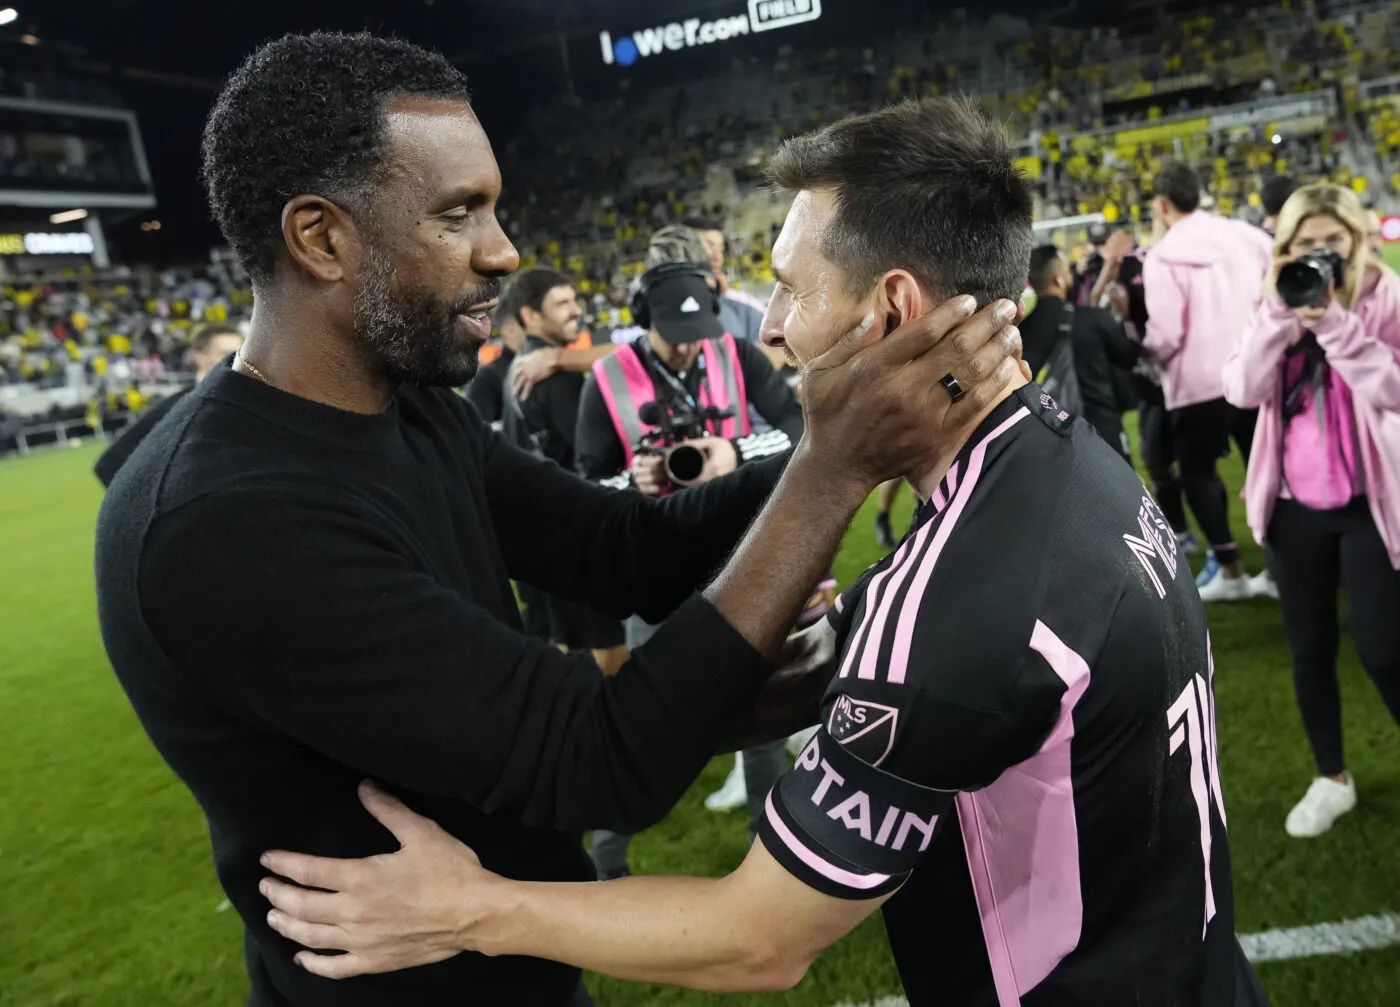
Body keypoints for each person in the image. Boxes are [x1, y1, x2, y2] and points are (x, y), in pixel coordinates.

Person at [259, 97, 1266, 1007]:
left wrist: (470, 904)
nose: (772, 324)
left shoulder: (956, 600)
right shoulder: (1072, 456)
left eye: (786, 287)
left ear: (890, 312)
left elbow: (758, 938)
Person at [95, 34, 1021, 1007]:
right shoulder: (234, 523)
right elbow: (598, 758)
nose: (504, 251)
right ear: (322, 238)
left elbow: (621, 552)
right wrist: (833, 466)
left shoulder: (402, 406)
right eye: (458, 214)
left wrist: (822, 440)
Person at [573, 245, 808, 878]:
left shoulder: (735, 355)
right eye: (672, 336)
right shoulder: (606, 380)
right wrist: (638, 478)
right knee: (642, 726)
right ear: (640, 317)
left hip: (742, 556)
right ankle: (607, 862)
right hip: (654, 573)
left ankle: (769, 844)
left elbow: (795, 429)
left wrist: (732, 452)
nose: (686, 348)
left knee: (759, 709)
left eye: (695, 332)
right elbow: (588, 485)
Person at [1223, 182, 1400, 838]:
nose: (1319, 254)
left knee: (1383, 649)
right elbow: (1241, 388)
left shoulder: (1383, 296)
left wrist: (1335, 323)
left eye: (1332, 242)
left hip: (1370, 503)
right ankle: (1332, 776)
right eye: (1304, 244)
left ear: (1355, 241)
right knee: (1310, 648)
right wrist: (1278, 314)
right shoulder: (1272, 300)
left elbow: (1394, 389)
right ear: (1284, 248)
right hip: (1295, 506)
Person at [1144, 161, 1275, 601]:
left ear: (1162, 205)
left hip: (1198, 384)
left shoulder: (1163, 257)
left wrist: (1144, 353)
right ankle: (1279, 566)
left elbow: (1166, 335)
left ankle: (1233, 571)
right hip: (1256, 370)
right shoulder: (1248, 236)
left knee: (1198, 473)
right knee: (1268, 469)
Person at [500, 267, 629, 673]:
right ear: (531, 317)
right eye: (562, 303)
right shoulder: (557, 381)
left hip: (541, 534)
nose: (577, 310)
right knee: (611, 649)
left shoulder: (519, 369)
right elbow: (592, 456)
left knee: (569, 647)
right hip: (576, 533)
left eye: (575, 299)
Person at [1023, 244, 1139, 464]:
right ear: (1058, 278)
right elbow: (1129, 356)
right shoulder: (1091, 319)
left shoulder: (1018, 334)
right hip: (1102, 433)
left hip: (1049, 442)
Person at [93, 322, 244, 487]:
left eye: (240, 353)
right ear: (199, 358)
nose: (234, 359)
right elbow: (109, 464)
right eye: (225, 353)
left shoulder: (240, 403)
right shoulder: (177, 408)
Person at [462, 286, 526, 432]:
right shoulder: (488, 378)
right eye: (529, 319)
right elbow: (478, 437)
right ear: (510, 330)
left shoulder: (553, 365)